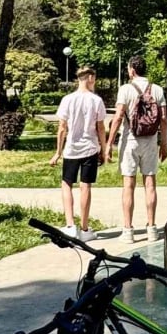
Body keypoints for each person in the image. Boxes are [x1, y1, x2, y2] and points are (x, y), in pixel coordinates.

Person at [106, 56, 167, 241]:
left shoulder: (125, 89)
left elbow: (118, 117)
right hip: (150, 141)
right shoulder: (157, 90)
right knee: (150, 184)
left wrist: (109, 143)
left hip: (130, 141)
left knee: (128, 185)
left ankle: (128, 230)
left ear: (132, 70)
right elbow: (164, 119)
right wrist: (163, 144)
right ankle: (151, 228)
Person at [49, 65, 107, 240]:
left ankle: (70, 225)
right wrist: (104, 149)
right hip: (90, 147)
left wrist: (58, 152)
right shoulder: (96, 100)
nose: (94, 82)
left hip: (72, 149)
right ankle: (84, 228)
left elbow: (62, 128)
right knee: (85, 186)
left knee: (67, 184)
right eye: (94, 78)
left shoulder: (67, 99)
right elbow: (101, 127)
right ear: (89, 78)